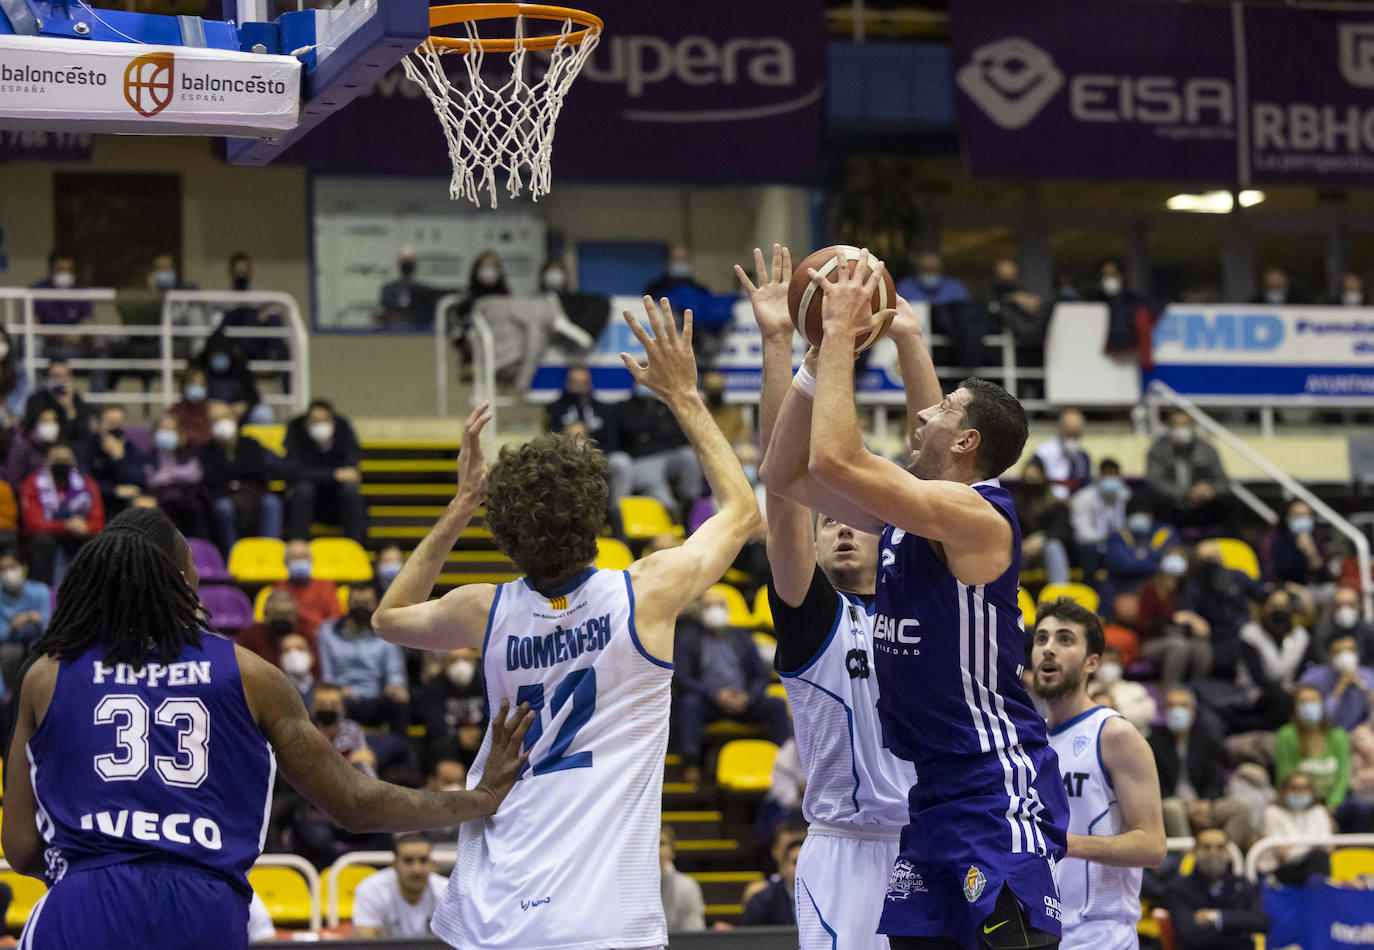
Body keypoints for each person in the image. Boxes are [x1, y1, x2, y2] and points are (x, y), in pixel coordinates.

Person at [373, 295, 761, 950]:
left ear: (503, 532)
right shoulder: (648, 592)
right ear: (597, 516)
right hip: (603, 917)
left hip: (497, 910)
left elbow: (387, 618)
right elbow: (742, 511)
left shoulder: (484, 607)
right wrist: (685, 396)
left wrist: (461, 504)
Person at [1, 506, 533, 949]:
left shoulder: (46, 676)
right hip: (202, 909)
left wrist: (111, 877)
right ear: (184, 581)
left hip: (84, 906)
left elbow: (22, 848)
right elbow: (356, 804)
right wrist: (481, 796)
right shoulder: (249, 672)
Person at [763, 252, 1069, 950]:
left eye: (942, 410)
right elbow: (784, 473)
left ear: (966, 441)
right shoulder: (908, 518)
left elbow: (836, 460)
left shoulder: (976, 519)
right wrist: (826, 357)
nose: (922, 413)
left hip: (993, 784)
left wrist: (841, 334)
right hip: (932, 796)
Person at [740, 243, 921, 950]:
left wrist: (907, 344)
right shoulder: (814, 617)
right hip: (844, 847)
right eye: (831, 523)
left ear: (886, 535)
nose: (843, 531)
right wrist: (784, 343)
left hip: (926, 836)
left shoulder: (920, 606)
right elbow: (783, 493)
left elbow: (931, 481)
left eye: (858, 522)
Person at [1031, 597, 1166, 950]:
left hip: (1099, 936)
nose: (1049, 649)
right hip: (1038, 932)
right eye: (1041, 639)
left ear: (1093, 662)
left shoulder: (1114, 734)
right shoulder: (1029, 741)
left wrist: (1067, 843)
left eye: (1064, 639)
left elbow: (1153, 845)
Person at [672, 586, 792, 781]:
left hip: (743, 700)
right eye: (709, 606)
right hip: (708, 702)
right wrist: (716, 695)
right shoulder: (688, 637)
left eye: (720, 605)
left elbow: (760, 674)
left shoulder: (741, 636)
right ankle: (691, 764)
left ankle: (786, 765)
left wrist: (748, 696)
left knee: (777, 705)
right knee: (688, 703)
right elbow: (682, 677)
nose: (715, 610)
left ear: (727, 610)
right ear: (701, 611)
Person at [1149, 688, 1253, 847]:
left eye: (1183, 706)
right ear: (1164, 711)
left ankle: (1221, 852)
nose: (1178, 711)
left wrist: (1207, 802)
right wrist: (1188, 808)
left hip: (1203, 803)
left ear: (1192, 712)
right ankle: (1188, 862)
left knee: (1241, 809)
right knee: (1172, 808)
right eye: (1172, 706)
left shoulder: (1206, 739)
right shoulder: (1152, 742)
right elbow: (1153, 786)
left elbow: (1215, 778)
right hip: (1171, 804)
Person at [317, 583, 409, 735]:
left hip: (375, 698)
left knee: (399, 700)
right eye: (356, 604)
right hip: (342, 697)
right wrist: (337, 689)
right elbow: (326, 674)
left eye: (366, 604)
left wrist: (395, 686)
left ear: (376, 605)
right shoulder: (327, 631)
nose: (361, 608)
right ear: (348, 604)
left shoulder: (387, 634)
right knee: (330, 702)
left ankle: (399, 748)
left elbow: (394, 672)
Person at [199, 400, 285, 555]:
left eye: (225, 417)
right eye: (216, 419)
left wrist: (233, 477)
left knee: (272, 503)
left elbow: (258, 471)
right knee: (223, 507)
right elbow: (211, 480)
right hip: (223, 497)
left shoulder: (250, 444)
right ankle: (234, 557)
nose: (222, 423)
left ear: (235, 419)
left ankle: (270, 555)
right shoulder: (206, 451)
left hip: (253, 494)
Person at [1165, 829, 1270, 950]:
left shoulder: (1242, 884)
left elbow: (1262, 922)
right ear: (1194, 851)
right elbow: (1189, 935)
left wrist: (1216, 917)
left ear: (1227, 853)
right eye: (1206, 847)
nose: (1213, 853)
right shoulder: (1179, 888)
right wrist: (1239, 931)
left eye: (1220, 847)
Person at [21, 441, 104, 586]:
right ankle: (45, 594)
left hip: (78, 536)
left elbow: (98, 522)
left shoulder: (87, 483)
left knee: (96, 543)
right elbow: (33, 524)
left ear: (74, 463)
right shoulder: (33, 483)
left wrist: (84, 527)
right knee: (42, 542)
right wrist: (65, 525)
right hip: (47, 538)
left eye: (66, 460)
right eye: (57, 460)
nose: (62, 464)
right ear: (47, 463)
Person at [283, 399, 366, 544]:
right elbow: (294, 471)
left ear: (333, 422)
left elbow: (351, 473)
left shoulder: (343, 430)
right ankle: (299, 545)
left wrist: (319, 475)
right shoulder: (296, 430)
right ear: (307, 423)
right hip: (305, 502)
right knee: (304, 489)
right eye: (315, 421)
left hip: (335, 503)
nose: (320, 425)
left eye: (324, 420)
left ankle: (355, 546)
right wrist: (333, 475)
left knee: (351, 492)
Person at [1145, 411, 1233, 531]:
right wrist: (1186, 491)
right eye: (1177, 425)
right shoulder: (1158, 451)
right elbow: (1155, 483)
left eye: (1185, 424)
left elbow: (1223, 481)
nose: (1181, 429)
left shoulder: (1208, 450)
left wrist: (1210, 490)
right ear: (1169, 428)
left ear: (1193, 427)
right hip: (1172, 505)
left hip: (1203, 505)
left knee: (1229, 502)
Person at [352, 833, 449, 939]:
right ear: (394, 864)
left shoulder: (448, 892)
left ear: (433, 864)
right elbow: (366, 943)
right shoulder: (371, 890)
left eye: (423, 860)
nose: (417, 869)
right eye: (408, 861)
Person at [1275, 684, 1351, 812]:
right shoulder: (1287, 735)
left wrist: (1332, 805)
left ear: (1322, 704)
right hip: (1300, 800)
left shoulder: (1338, 736)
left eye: (1312, 701)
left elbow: (1342, 777)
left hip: (1335, 803)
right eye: (1302, 701)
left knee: (1358, 808)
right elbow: (1285, 776)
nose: (1308, 705)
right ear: (1295, 707)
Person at [1256, 770, 1335, 884]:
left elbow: (1328, 848)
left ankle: (1320, 896)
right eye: (1295, 788)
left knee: (1319, 858)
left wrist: (1295, 847)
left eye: (1305, 788)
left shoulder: (1319, 811)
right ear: (1284, 790)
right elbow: (1282, 855)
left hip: (1312, 865)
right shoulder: (1272, 812)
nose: (1300, 793)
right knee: (1317, 858)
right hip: (1280, 869)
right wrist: (1311, 847)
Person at [144, 414, 209, 541]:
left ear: (179, 433)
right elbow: (151, 479)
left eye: (171, 429)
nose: (167, 432)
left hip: (186, 498)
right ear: (155, 432)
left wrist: (168, 474)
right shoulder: (149, 455)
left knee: (197, 509)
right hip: (161, 499)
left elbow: (194, 474)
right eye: (163, 428)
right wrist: (178, 474)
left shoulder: (188, 452)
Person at [75, 404, 147, 519]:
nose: (115, 428)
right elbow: (83, 481)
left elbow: (138, 480)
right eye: (110, 422)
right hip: (95, 501)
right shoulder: (85, 446)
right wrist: (114, 490)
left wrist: (119, 459)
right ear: (98, 424)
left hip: (123, 504)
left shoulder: (130, 448)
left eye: (119, 423)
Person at [1011, 457, 1073, 586]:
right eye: (1029, 478)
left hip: (1045, 547)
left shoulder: (1055, 503)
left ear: (1043, 478)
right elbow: (1009, 528)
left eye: (1036, 477)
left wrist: (1042, 538)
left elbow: (1064, 531)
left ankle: (1059, 594)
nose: (1032, 481)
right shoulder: (1015, 503)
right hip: (1023, 549)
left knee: (1054, 547)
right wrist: (1022, 543)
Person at [1068, 459, 1127, 593]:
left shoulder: (1125, 496)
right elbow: (1082, 534)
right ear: (1099, 477)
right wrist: (1107, 537)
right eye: (1108, 475)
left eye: (1114, 476)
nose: (1111, 479)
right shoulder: (1082, 497)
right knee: (1090, 551)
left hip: (1117, 544)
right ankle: (1090, 592)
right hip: (1090, 546)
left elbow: (1126, 527)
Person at [1300, 635, 1374, 730]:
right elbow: (1318, 717)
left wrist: (1363, 689)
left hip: (1359, 732)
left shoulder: (1368, 675)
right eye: (1339, 652)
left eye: (1350, 650)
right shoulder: (1313, 678)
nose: (1345, 656)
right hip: (1327, 731)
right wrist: (1339, 689)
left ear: (1357, 654)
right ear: (1330, 656)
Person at [0, 548, 50, 688]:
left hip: (37, 641)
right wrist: (12, 626)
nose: (8, 573)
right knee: (8, 653)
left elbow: (49, 626)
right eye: (3, 569)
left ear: (24, 568)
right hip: (9, 645)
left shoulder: (41, 590)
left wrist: (37, 619)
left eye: (12, 567)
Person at [236, 589, 319, 673]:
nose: (281, 620)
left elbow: (316, 669)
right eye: (276, 615)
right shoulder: (250, 635)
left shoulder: (304, 634)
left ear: (295, 615)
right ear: (266, 614)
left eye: (286, 615)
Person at [271, 539, 342, 637]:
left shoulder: (326, 585)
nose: (300, 561)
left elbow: (335, 617)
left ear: (311, 560)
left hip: (321, 637)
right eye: (294, 557)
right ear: (285, 562)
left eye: (304, 557)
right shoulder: (280, 586)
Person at [194, 333, 261, 423]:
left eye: (222, 354)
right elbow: (193, 396)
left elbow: (253, 396)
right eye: (216, 354)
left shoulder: (240, 368)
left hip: (238, 413)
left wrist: (245, 405)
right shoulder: (200, 368)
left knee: (262, 413)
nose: (219, 357)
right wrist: (208, 405)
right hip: (212, 415)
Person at [23, 360, 95, 445]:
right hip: (41, 448)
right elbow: (28, 429)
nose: (61, 380)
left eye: (65, 376)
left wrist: (69, 407)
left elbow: (79, 433)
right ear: (48, 378)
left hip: (69, 449)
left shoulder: (77, 401)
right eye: (56, 376)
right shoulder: (36, 400)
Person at [741, 838, 801, 927]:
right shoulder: (761, 901)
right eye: (796, 862)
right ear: (784, 866)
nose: (801, 868)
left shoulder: (827, 898)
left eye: (807, 863)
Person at [1034, 409, 1091, 501]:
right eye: (1069, 434)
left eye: (1076, 435)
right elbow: (1034, 484)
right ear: (1061, 429)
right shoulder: (1043, 453)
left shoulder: (1083, 457)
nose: (1073, 439)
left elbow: (1086, 485)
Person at [660, 826, 706, 933]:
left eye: (661, 844)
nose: (655, 850)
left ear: (672, 851)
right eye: (650, 844)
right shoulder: (629, 888)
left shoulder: (687, 887)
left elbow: (694, 934)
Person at [1312, 587, 1374, 665]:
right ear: (1333, 607)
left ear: (1359, 605)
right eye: (1340, 605)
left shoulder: (1368, 630)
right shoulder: (1323, 631)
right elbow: (1318, 658)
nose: (1345, 609)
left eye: (1351, 605)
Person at [380, 246, 436, 329]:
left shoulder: (425, 290)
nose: (407, 264)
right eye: (404, 261)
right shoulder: (388, 289)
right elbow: (386, 311)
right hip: (393, 333)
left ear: (415, 264)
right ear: (398, 263)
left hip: (418, 333)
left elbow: (428, 315)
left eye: (410, 261)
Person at [6, 408, 64, 489]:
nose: (51, 425)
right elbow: (14, 479)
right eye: (45, 421)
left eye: (54, 420)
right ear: (35, 421)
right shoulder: (22, 444)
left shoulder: (58, 443)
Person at [170, 367, 214, 452]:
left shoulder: (214, 408)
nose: (197, 387)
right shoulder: (175, 410)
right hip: (183, 455)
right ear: (183, 386)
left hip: (209, 455)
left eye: (201, 384)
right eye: (192, 383)